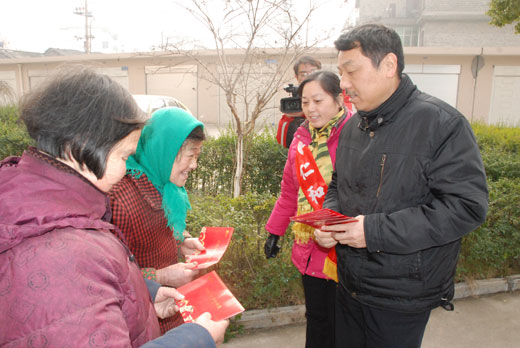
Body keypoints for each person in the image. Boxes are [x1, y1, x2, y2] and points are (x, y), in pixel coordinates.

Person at [0, 66, 228, 347]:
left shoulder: (60, 213)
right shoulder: (60, 251)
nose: (125, 170)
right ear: (82, 146)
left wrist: (147, 292)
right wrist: (197, 338)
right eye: (124, 156)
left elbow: (97, 286)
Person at [314, 24, 489, 348]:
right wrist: (331, 217)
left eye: (351, 71)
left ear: (389, 65)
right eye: (340, 72)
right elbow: (339, 183)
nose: (344, 84)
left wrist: (374, 231)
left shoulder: (441, 124)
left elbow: (467, 206)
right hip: (349, 285)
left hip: (401, 296)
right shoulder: (352, 126)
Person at [265, 71, 352, 348]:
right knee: (316, 317)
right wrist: (274, 232)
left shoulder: (356, 135)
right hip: (310, 246)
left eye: (318, 100)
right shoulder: (300, 138)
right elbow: (289, 191)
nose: (310, 109)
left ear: (339, 98)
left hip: (346, 246)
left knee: (345, 323)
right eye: (305, 102)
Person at [109, 106, 206, 333]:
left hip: (173, 312)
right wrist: (160, 276)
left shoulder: (167, 187)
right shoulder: (120, 200)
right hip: (142, 322)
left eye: (197, 156)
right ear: (165, 151)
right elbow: (110, 278)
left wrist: (182, 240)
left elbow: (167, 226)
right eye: (191, 156)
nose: (194, 165)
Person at [276, 56, 322, 148]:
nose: (309, 77)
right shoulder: (295, 100)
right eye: (303, 74)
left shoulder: (331, 96)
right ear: (296, 77)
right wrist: (289, 118)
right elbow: (283, 142)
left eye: (313, 72)